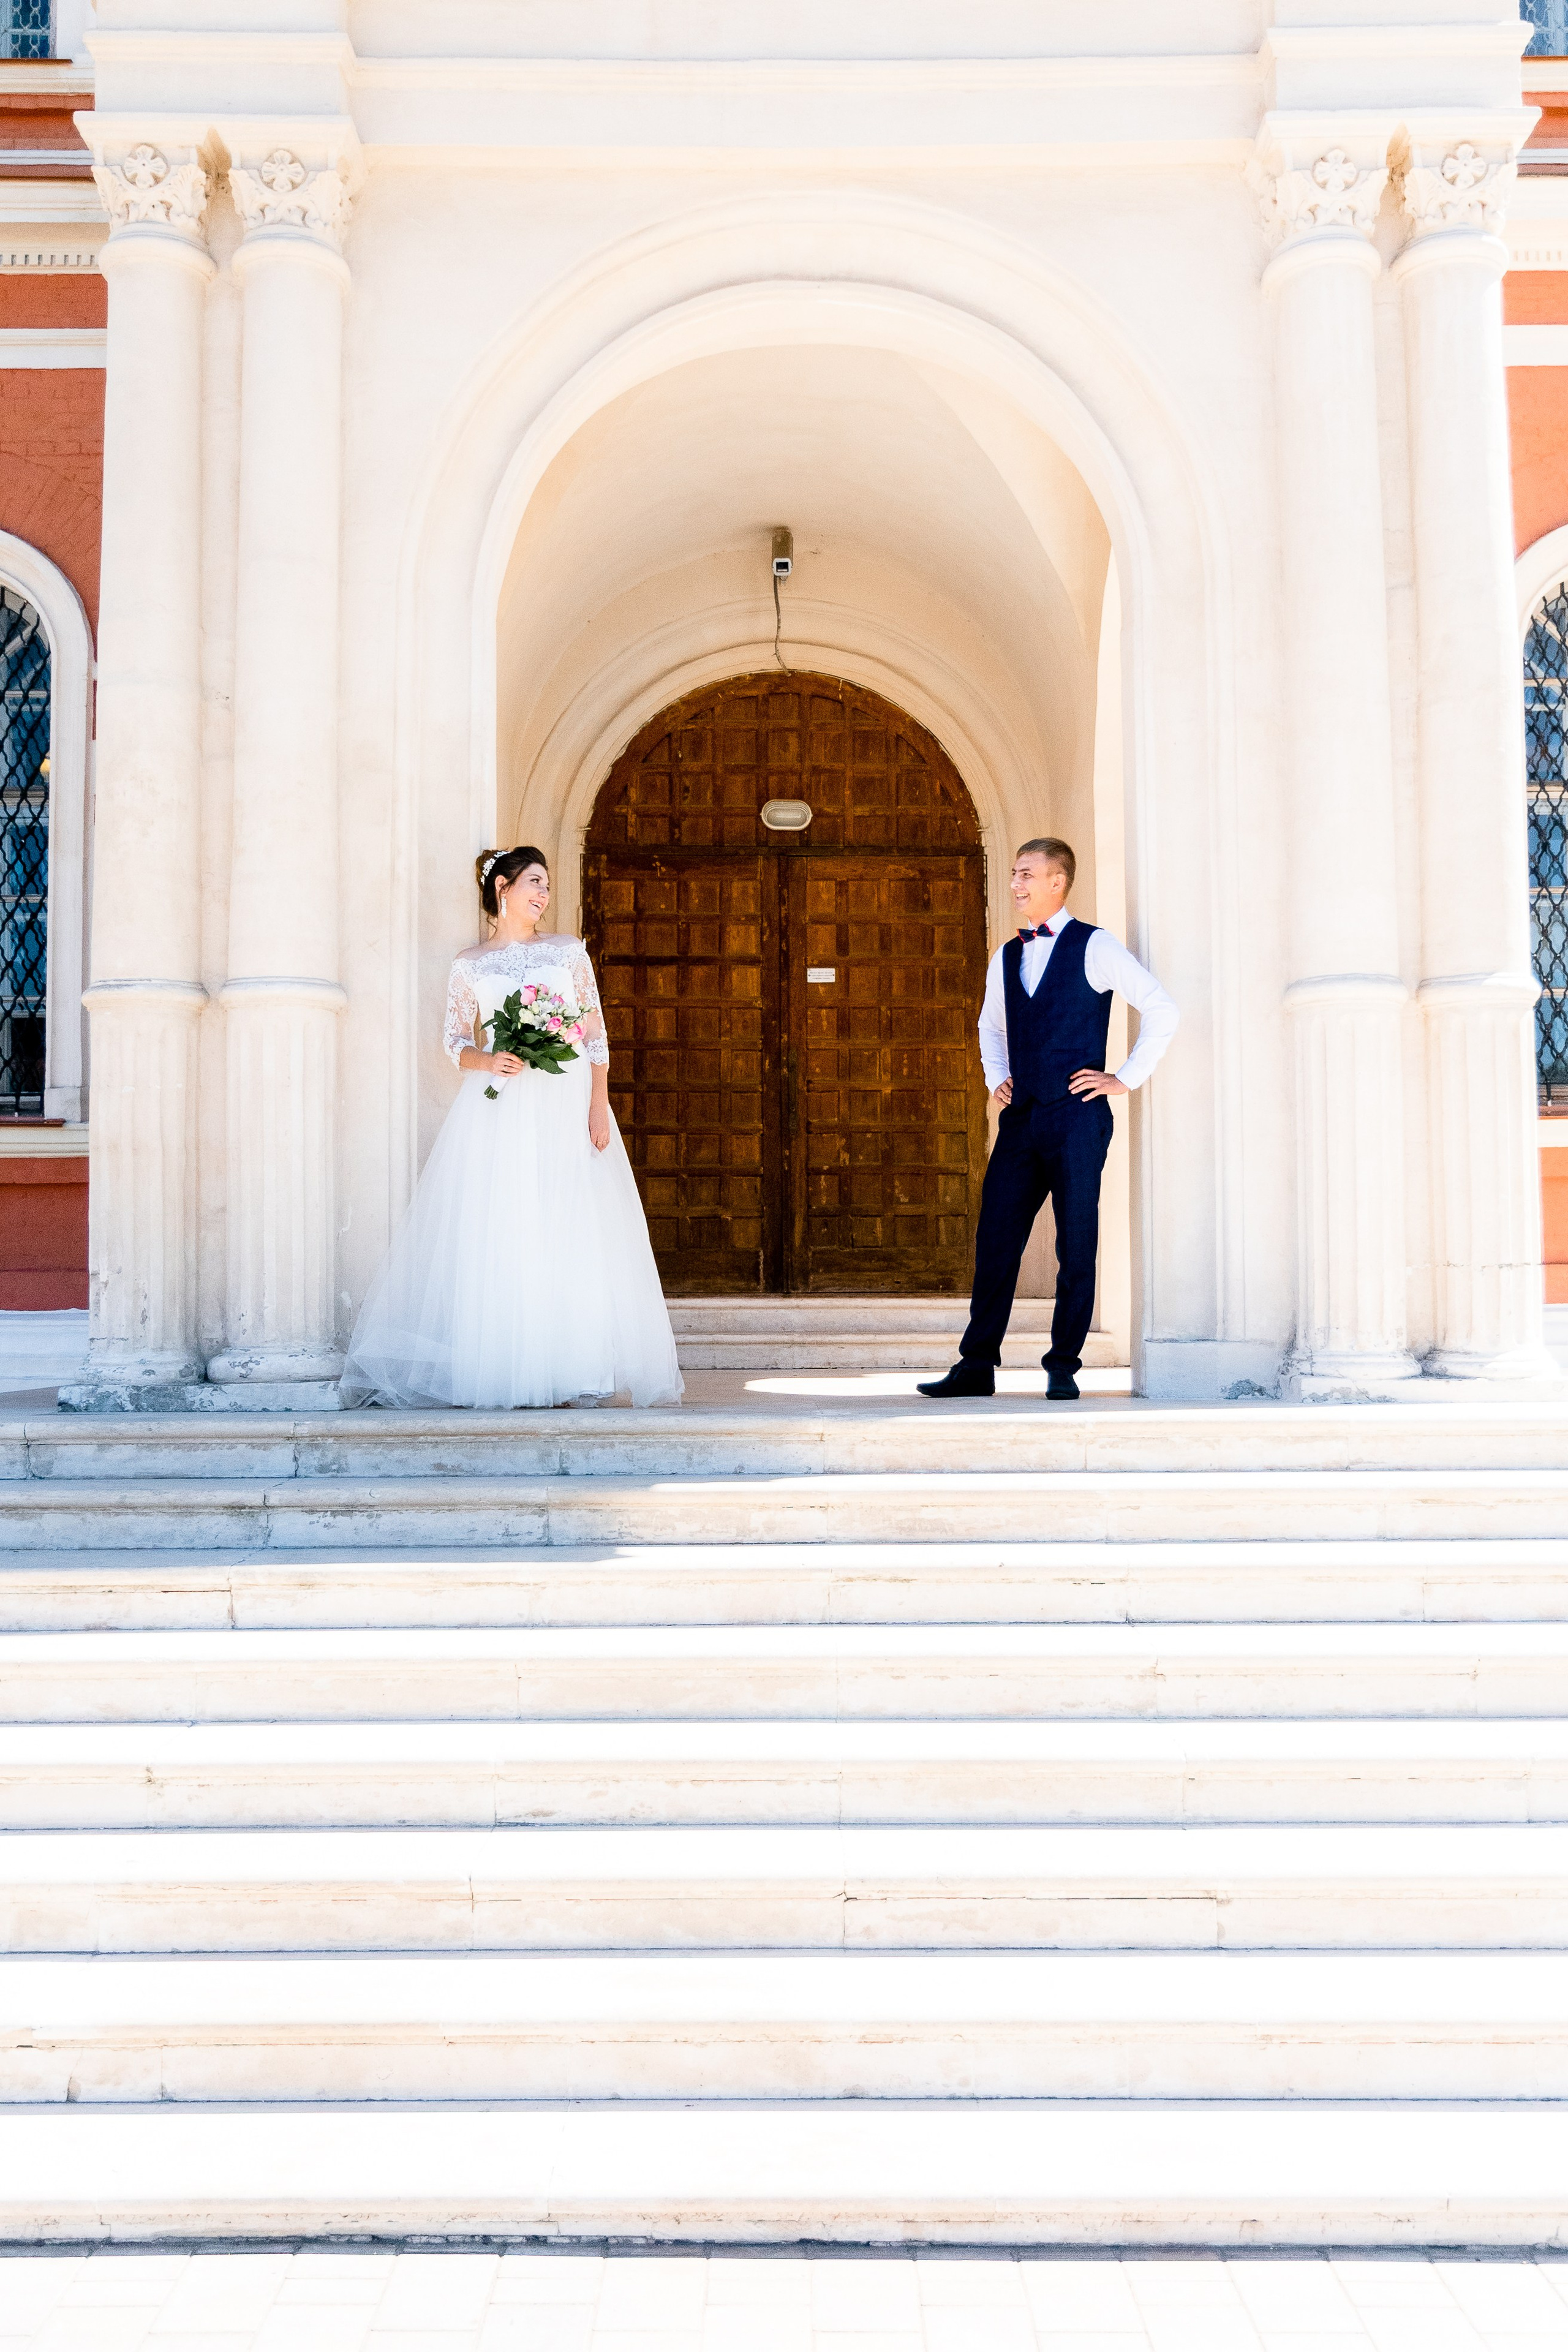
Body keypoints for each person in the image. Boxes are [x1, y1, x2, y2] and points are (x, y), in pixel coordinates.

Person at [340, 846, 683, 1410]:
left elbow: (594, 1033)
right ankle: (509, 1369)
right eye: (534, 883)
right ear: (503, 887)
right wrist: (489, 1061)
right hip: (500, 1110)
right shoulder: (470, 963)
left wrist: (598, 1106)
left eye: (546, 885)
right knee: (507, 1226)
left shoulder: (569, 952)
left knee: (570, 1224)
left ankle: (575, 1369)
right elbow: (455, 1042)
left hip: (565, 1100)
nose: (543, 895)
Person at [917, 836, 1177, 1404]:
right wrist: (995, 1078)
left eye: (1026, 874)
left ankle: (1064, 1365)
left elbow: (1161, 1008)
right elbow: (991, 1026)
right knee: (996, 1240)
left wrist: (1123, 1077)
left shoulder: (1095, 946)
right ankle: (976, 1365)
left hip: (1078, 1120)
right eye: (1013, 874)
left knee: (1076, 1242)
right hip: (1023, 1119)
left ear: (1057, 881)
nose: (1016, 884)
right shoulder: (1007, 955)